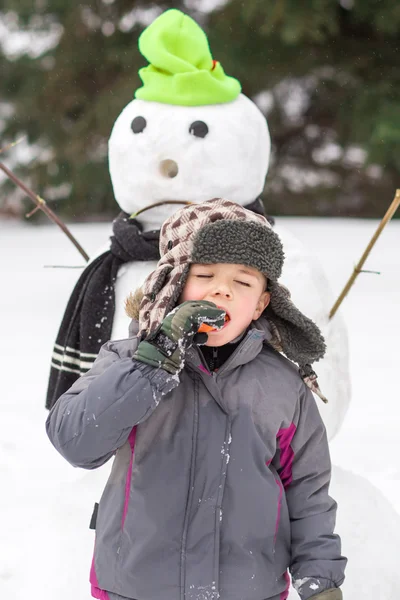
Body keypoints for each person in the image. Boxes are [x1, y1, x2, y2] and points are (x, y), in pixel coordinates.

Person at [46, 198, 347, 600]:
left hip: (247, 590)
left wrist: (321, 580)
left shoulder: (283, 386)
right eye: (205, 275)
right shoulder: (128, 359)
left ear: (261, 303)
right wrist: (155, 360)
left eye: (243, 282)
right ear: (174, 283)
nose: (222, 289)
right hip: (136, 587)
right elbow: (76, 440)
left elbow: (307, 493)